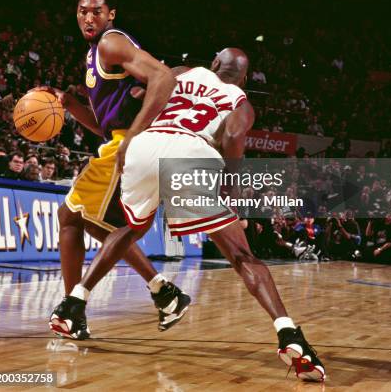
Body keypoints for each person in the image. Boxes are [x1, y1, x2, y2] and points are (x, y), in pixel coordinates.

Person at [52, 48, 326, 382]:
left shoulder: (182, 71)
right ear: (245, 78)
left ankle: (74, 302)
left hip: (144, 146)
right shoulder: (240, 100)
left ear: (213, 64)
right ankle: (289, 334)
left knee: (130, 229)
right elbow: (234, 135)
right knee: (241, 255)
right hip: (190, 151)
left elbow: (140, 92)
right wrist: (231, 187)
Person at [46, 0, 190, 339]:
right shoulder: (94, 55)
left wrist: (135, 135)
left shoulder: (112, 41)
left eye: (96, 10)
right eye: (82, 11)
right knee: (90, 222)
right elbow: (102, 125)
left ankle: (73, 309)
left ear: (111, 14)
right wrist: (71, 104)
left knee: (70, 216)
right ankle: (164, 293)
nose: (88, 17)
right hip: (116, 140)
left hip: (128, 143)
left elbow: (163, 77)